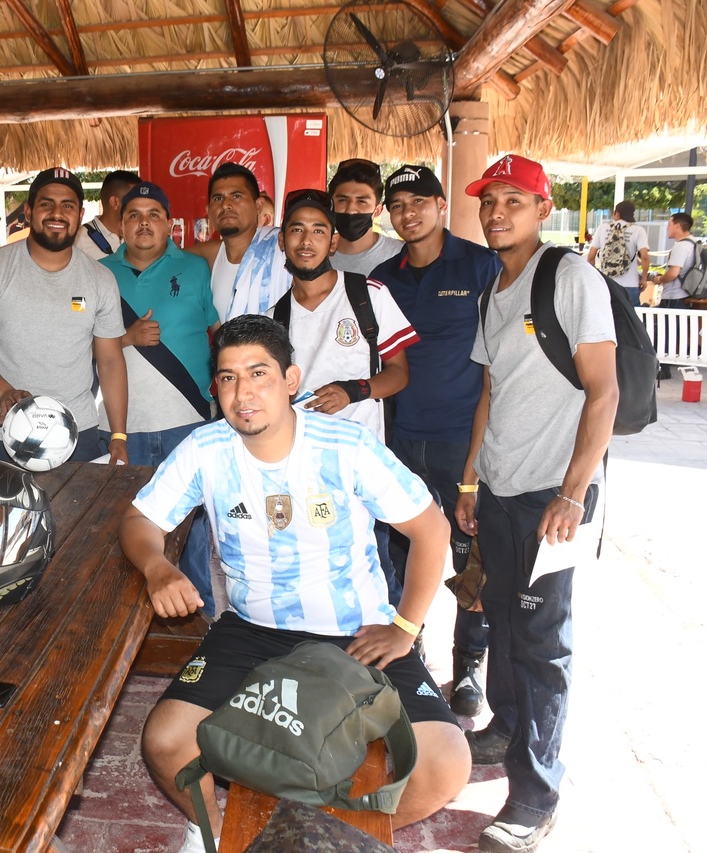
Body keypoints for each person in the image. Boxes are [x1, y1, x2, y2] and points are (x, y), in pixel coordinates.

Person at [121, 314, 469, 853]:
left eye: (258, 373)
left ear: (290, 380)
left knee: (445, 764)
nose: (243, 392)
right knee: (166, 740)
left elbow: (431, 529)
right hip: (252, 629)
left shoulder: (345, 445)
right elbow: (139, 521)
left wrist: (404, 627)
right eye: (228, 377)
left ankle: (335, 835)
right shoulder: (205, 449)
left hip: (356, 633)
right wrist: (157, 567)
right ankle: (210, 830)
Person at [457, 154, 617, 853]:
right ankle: (506, 725)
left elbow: (603, 391)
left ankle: (535, 795)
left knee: (542, 642)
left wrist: (572, 494)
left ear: (542, 208)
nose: (497, 213)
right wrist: (471, 479)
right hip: (499, 488)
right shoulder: (494, 289)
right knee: (500, 616)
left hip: (553, 494)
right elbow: (490, 391)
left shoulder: (569, 276)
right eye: (489, 201)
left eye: (513, 200)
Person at [372, 164, 501, 716]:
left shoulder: (480, 265)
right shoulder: (383, 276)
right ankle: (411, 655)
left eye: (419, 203)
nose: (408, 214)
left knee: (472, 562)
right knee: (402, 558)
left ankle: (468, 667)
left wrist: (478, 459)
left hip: (463, 442)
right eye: (398, 206)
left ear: (441, 206)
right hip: (401, 440)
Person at [273, 188, 417, 606]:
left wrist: (354, 391)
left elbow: (400, 374)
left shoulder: (367, 295)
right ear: (282, 240)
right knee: (316, 567)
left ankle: (398, 639)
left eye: (319, 230)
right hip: (304, 468)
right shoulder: (275, 317)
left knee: (375, 564)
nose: (306, 240)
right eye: (296, 230)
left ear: (333, 242)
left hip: (363, 466)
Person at [0, 167, 129, 465]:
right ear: (28, 211)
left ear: (80, 214)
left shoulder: (100, 279)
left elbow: (110, 360)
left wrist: (118, 435)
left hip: (76, 434)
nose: (57, 213)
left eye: (68, 206)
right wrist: (4, 392)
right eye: (47, 203)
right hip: (1, 432)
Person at [99, 180, 218, 610]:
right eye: (134, 215)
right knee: (123, 526)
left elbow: (218, 333)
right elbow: (78, 346)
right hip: (120, 427)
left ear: (169, 224)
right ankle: (123, 623)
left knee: (193, 531)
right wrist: (126, 338)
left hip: (187, 422)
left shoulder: (196, 268)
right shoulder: (98, 272)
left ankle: (200, 619)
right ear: (120, 225)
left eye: (154, 215)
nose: (144, 223)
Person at [186, 163, 288, 321]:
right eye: (218, 198)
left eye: (236, 196)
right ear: (209, 211)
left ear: (258, 206)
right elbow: (163, 258)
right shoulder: (210, 255)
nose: (225, 205)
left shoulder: (281, 245)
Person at [329, 158, 405, 276]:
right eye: (343, 200)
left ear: (378, 210)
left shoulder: (401, 255)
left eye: (361, 201)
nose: (351, 210)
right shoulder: (315, 257)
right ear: (331, 205)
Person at [587, 199, 648, 306]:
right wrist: (644, 278)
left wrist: (596, 277)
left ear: (617, 213)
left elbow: (591, 256)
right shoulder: (638, 230)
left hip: (607, 283)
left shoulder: (603, 228)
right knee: (631, 316)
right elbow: (645, 257)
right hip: (630, 284)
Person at [75, 169, 141, 260]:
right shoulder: (79, 240)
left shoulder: (139, 235)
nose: (141, 206)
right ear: (115, 202)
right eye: (135, 200)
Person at [649, 212, 696, 310]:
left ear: (678, 226)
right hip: (687, 295)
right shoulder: (694, 243)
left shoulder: (681, 246)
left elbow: (673, 274)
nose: (667, 228)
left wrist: (659, 279)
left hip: (674, 297)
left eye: (669, 225)